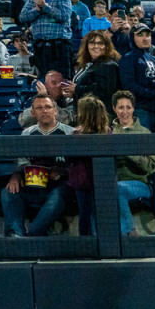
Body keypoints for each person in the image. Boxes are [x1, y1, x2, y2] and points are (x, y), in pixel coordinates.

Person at [1, 94, 75, 237]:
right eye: (39, 108)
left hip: (60, 186)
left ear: (55, 110)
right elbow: (22, 162)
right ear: (33, 113)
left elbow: (77, 166)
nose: (44, 111)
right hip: (34, 184)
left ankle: (32, 236)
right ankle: (15, 235)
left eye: (48, 107)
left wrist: (63, 171)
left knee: (58, 195)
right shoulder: (27, 133)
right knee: (8, 192)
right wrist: (16, 175)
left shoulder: (69, 133)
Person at [111, 90, 155, 236]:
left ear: (133, 109)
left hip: (139, 183)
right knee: (98, 191)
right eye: (121, 107)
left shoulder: (144, 133)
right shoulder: (109, 133)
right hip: (114, 181)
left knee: (115, 189)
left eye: (128, 107)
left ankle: (131, 233)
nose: (125, 112)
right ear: (114, 109)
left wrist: (130, 152)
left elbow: (150, 167)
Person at [67, 95, 111, 236]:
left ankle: (86, 244)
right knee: (96, 213)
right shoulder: (107, 131)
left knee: (86, 213)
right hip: (97, 180)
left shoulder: (76, 133)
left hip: (84, 180)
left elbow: (70, 158)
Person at [19, 0, 73, 77]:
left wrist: (45, 7)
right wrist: (36, 10)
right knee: (43, 78)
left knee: (63, 78)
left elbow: (64, 16)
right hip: (41, 47)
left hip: (60, 46)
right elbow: (22, 17)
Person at [72, 30, 121, 111]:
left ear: (106, 46)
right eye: (92, 43)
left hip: (100, 115)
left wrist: (77, 89)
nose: (96, 46)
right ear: (86, 46)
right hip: (84, 112)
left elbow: (104, 91)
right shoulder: (87, 64)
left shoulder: (109, 65)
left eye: (100, 43)